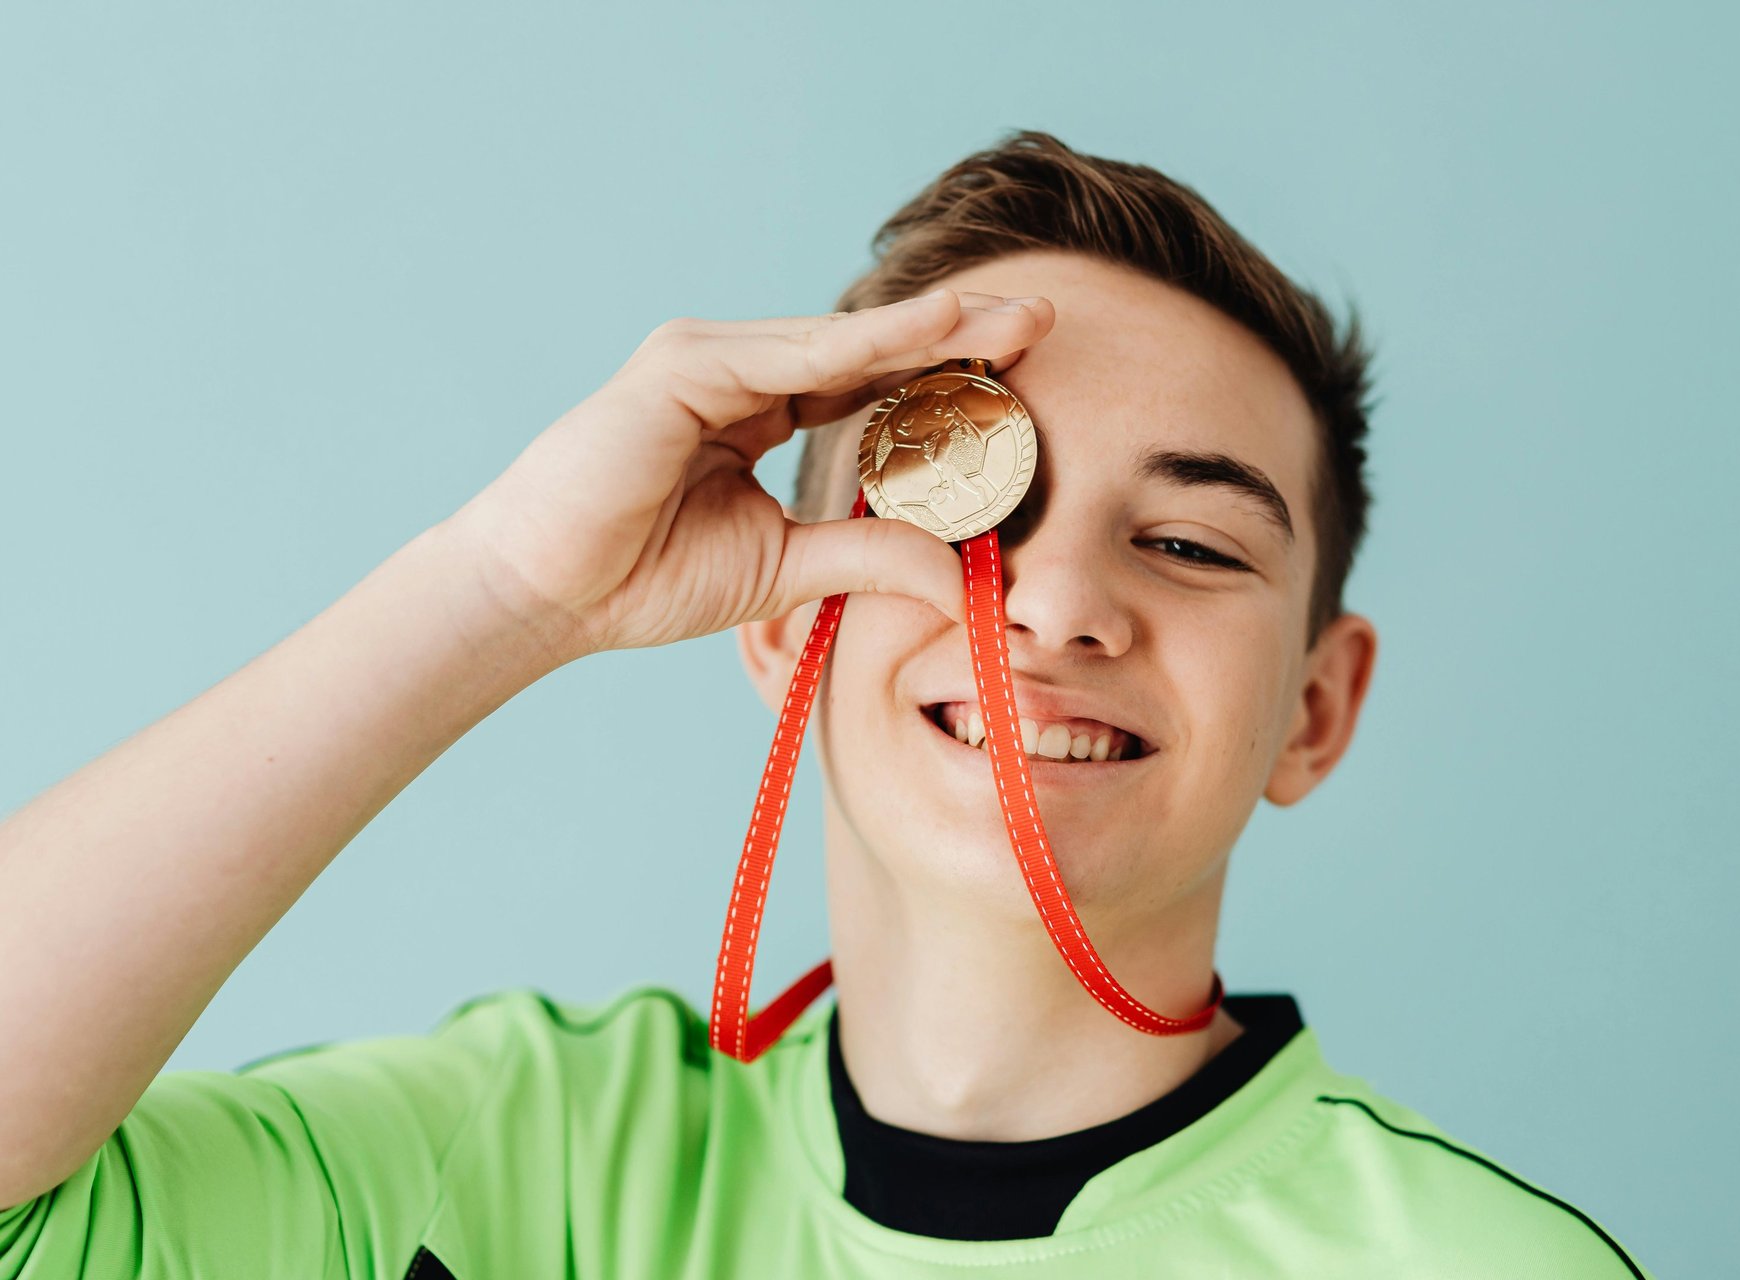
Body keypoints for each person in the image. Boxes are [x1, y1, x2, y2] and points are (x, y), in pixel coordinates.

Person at [0, 130, 1650, 1277]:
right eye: (959, 502)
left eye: (1187, 540)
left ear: (1313, 708)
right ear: (791, 626)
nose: (1061, 602)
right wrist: (504, 589)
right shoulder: (509, 1160)